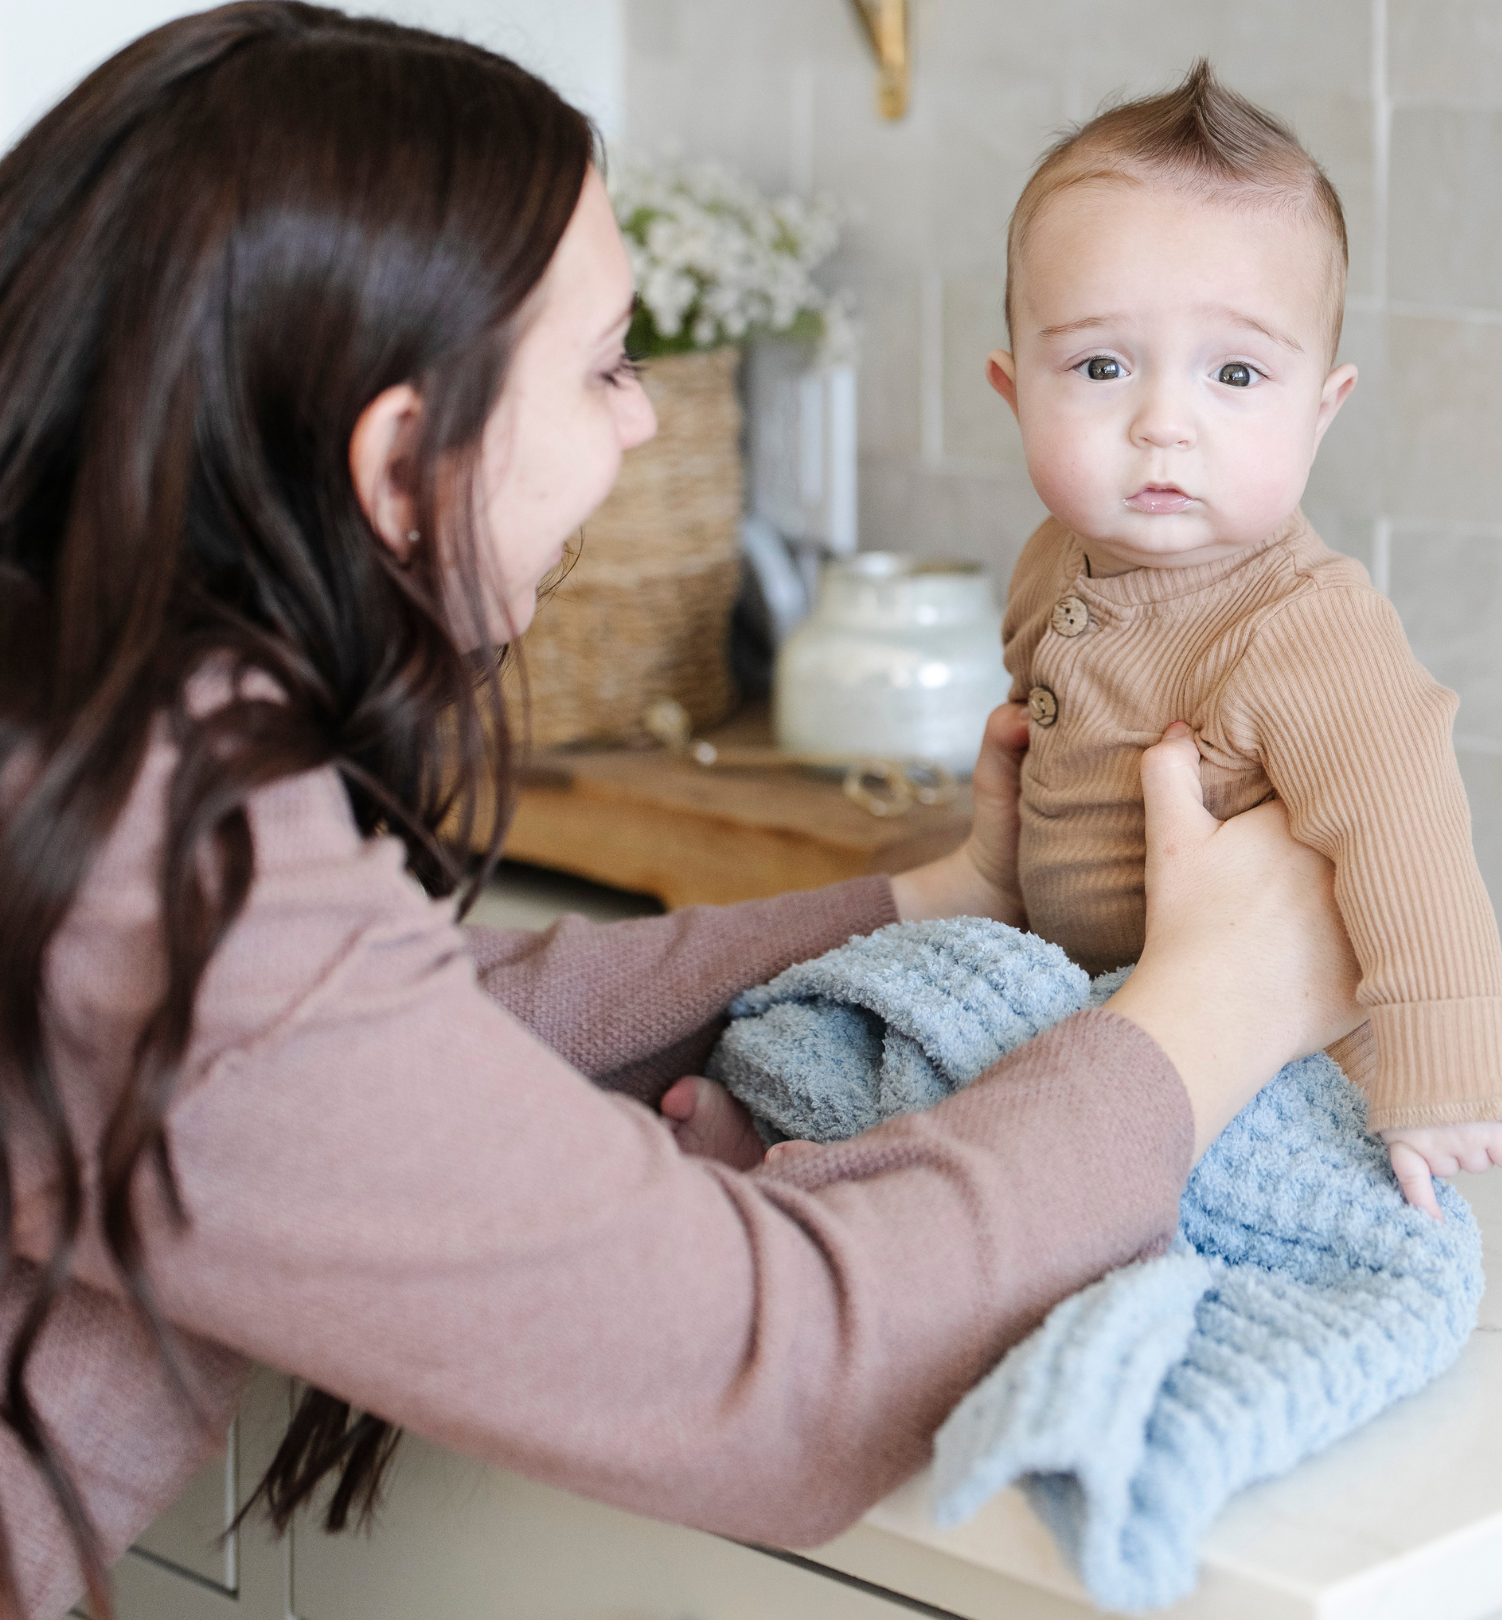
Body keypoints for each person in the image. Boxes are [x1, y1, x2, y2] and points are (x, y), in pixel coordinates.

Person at [0, 8, 1360, 1617]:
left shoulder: (81, 729)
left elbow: (417, 1039)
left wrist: (935, 903)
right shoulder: (170, 866)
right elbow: (774, 1364)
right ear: (403, 461)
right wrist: (1209, 1019)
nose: (644, 421)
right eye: (605, 367)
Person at [980, 63, 1502, 1218]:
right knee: (889, 1010)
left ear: (1320, 410)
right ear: (1014, 389)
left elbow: (1410, 837)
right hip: (1078, 1005)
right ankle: (819, 1152)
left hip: (1265, 1062)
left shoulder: (1306, 629)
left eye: (1234, 372)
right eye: (1100, 366)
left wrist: (1445, 1069)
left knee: (1162, 1191)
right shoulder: (1048, 565)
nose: (1162, 422)